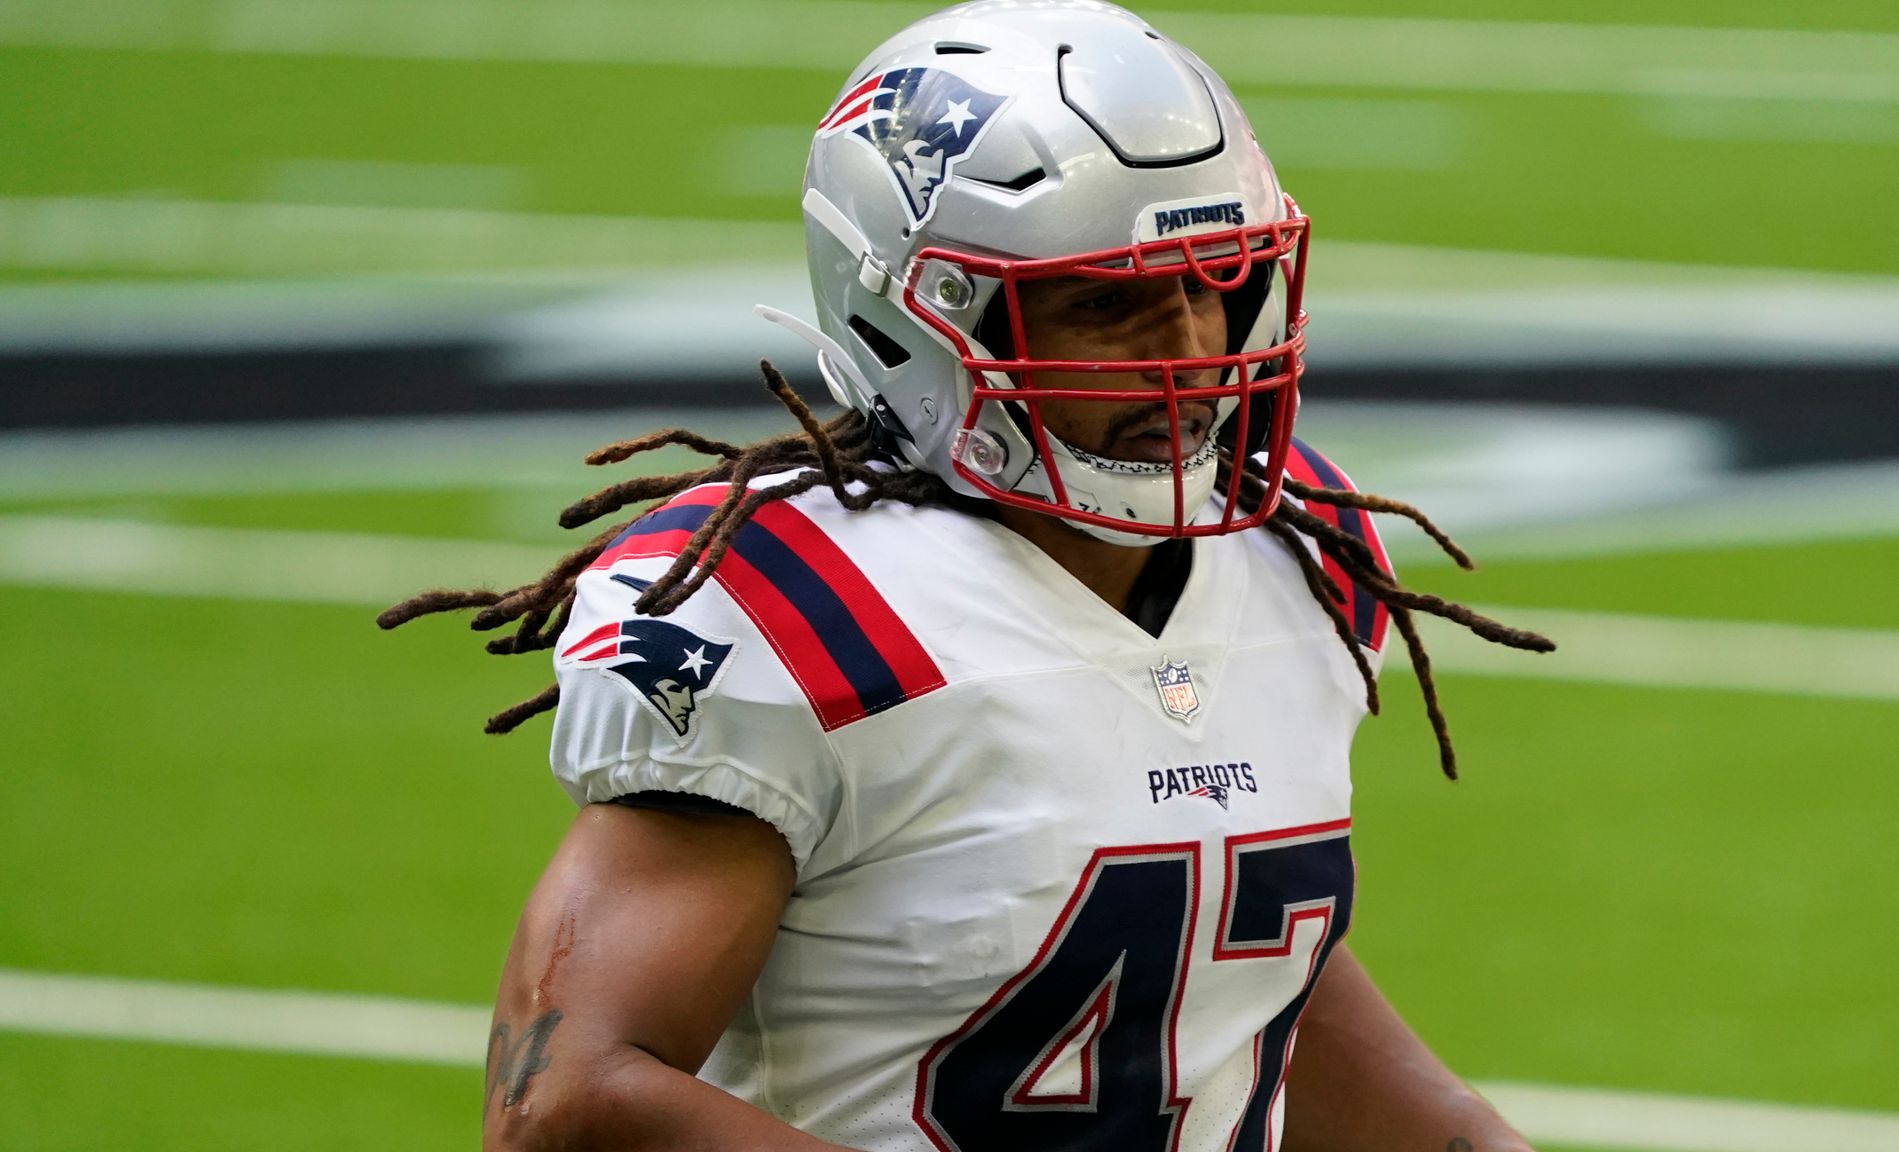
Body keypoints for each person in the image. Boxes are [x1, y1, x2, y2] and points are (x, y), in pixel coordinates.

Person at [382, 2, 1553, 1148]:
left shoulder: (1291, 545)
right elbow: (567, 1103)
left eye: (1210, 280)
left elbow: (1215, 950)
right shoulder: (798, 611)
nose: (1189, 354)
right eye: (1107, 304)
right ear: (920, 318)